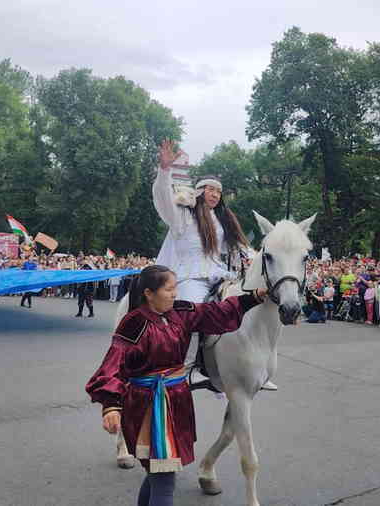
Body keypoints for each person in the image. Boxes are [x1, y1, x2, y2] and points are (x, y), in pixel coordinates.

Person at [85, 266, 268, 506]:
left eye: (175, 289)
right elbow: (113, 365)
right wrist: (110, 406)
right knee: (164, 478)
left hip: (176, 402)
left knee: (156, 475)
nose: (174, 294)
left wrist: (254, 296)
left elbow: (217, 311)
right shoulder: (134, 323)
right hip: (149, 408)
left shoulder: (180, 312)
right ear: (149, 293)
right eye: (169, 289)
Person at [151, 141, 271, 390]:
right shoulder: (183, 214)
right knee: (192, 313)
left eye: (218, 191)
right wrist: (164, 171)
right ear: (199, 191)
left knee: (248, 305)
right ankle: (187, 369)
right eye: (210, 190)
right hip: (189, 278)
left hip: (220, 276)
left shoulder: (223, 220)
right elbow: (162, 200)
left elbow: (241, 247)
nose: (215, 194)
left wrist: (263, 255)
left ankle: (254, 370)